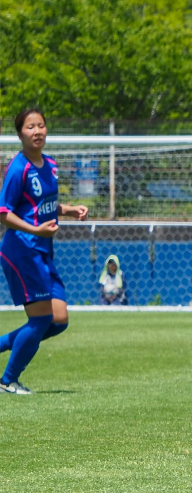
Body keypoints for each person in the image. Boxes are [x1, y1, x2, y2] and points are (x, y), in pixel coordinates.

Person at [0, 109, 89, 394]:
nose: (37, 131)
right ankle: (8, 381)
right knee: (39, 320)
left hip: (42, 251)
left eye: (41, 125)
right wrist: (36, 230)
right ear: (20, 134)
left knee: (58, 320)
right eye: (30, 127)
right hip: (22, 250)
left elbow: (44, 204)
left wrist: (69, 210)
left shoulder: (50, 164)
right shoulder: (18, 168)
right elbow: (4, 213)